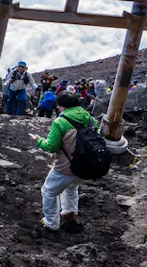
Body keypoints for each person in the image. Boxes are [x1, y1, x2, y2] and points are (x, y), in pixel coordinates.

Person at [29, 92, 99, 233]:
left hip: (65, 167)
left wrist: (38, 140)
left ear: (62, 106)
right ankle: (69, 213)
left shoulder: (60, 122)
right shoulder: (91, 120)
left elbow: (51, 147)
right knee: (72, 187)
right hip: (86, 166)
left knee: (48, 191)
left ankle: (51, 223)